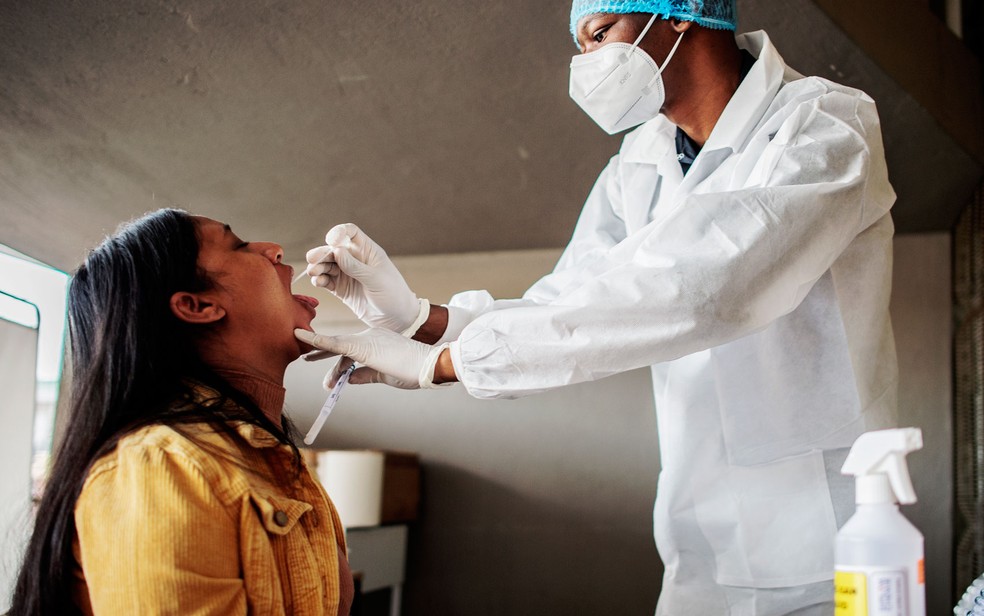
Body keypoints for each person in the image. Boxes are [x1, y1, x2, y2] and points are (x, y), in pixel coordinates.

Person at [294, 0, 898, 613]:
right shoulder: (634, 166)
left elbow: (705, 290)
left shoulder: (824, 124)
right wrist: (423, 320)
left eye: (600, 34)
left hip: (827, 532)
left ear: (682, 13)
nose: (587, 64)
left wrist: (444, 365)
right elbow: (571, 303)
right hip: (699, 533)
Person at [11, 209, 354, 616]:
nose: (275, 251)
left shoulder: (266, 460)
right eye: (239, 246)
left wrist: (434, 339)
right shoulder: (159, 466)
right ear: (196, 305)